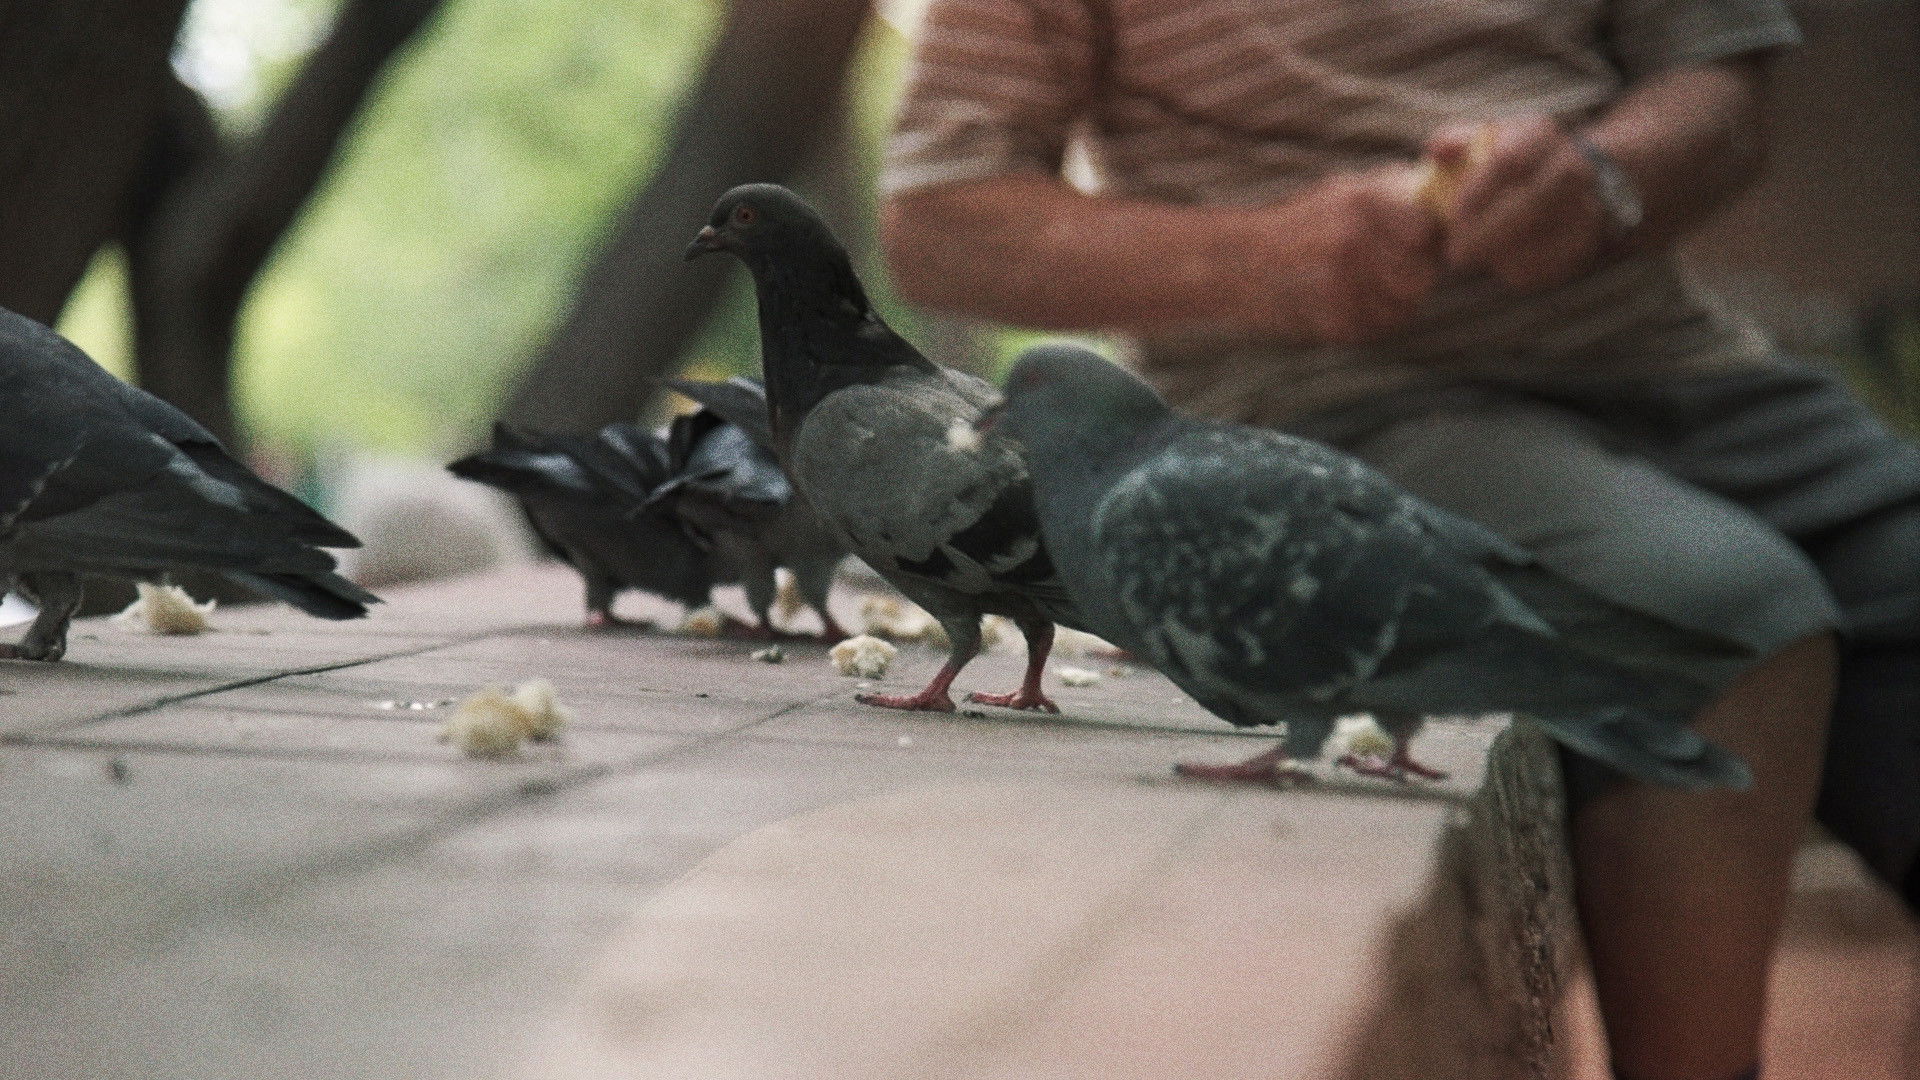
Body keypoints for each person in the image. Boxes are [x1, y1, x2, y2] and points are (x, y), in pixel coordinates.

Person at [878, 3, 1920, 1079]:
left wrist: (1606, 175)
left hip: (1685, 366)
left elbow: (1724, 91)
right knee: (1723, 614)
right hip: (1333, 405)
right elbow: (937, 221)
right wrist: (1257, 259)